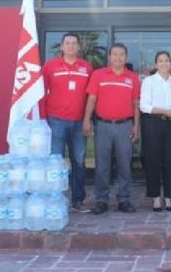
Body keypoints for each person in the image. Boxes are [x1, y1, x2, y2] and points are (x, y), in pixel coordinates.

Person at [84, 43, 140, 214]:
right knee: (102, 165)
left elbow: (136, 103)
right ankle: (101, 200)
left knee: (124, 165)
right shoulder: (98, 75)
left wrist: (136, 125)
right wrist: (86, 119)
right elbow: (92, 99)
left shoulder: (132, 77)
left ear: (126, 57)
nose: (118, 57)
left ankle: (124, 199)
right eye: (114, 54)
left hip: (125, 125)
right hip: (103, 126)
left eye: (121, 54)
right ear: (109, 56)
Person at [42, 33, 93, 213]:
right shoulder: (50, 66)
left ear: (78, 47)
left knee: (79, 162)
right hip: (55, 121)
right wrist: (42, 119)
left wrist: (88, 119)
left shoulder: (87, 67)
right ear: (62, 46)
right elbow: (41, 92)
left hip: (79, 122)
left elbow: (91, 96)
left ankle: (78, 201)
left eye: (74, 43)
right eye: (67, 43)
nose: (71, 46)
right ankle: (54, 200)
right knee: (55, 163)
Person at [140, 51, 171, 212]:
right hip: (153, 123)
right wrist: (165, 111)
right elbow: (144, 106)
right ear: (156, 64)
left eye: (167, 60)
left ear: (170, 63)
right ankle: (156, 197)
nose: (164, 63)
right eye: (161, 61)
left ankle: (170, 197)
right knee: (153, 160)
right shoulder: (149, 81)